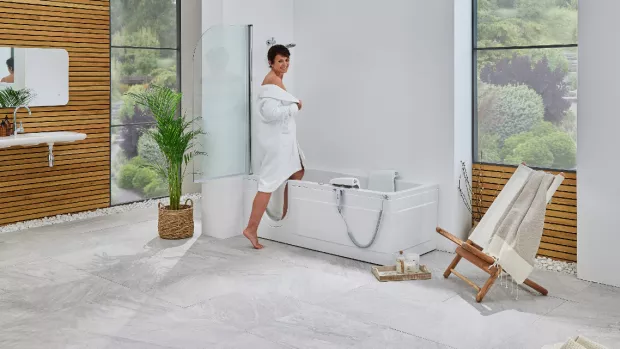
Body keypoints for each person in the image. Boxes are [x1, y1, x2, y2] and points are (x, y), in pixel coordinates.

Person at [242, 45, 305, 249]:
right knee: (267, 184)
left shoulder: (277, 81)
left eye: (287, 60)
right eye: (280, 61)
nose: (284, 64)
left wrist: (292, 105)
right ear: (271, 62)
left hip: (285, 142)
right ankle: (251, 228)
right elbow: (270, 113)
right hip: (277, 144)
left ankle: (285, 219)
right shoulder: (271, 83)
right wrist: (294, 106)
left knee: (298, 172)